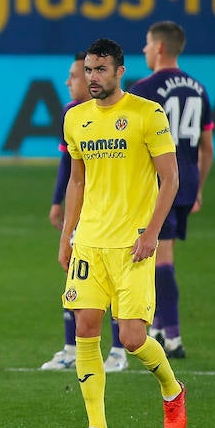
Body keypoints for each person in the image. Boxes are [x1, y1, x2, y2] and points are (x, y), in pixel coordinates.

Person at [57, 38, 186, 428]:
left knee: (131, 338)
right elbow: (77, 181)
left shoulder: (147, 114)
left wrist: (152, 233)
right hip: (90, 244)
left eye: (100, 70)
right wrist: (68, 236)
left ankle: (171, 389)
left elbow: (171, 179)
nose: (92, 78)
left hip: (132, 245)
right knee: (85, 328)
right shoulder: (76, 119)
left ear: (119, 72)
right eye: (88, 70)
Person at [128, 21, 214, 360]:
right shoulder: (198, 88)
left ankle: (173, 336)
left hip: (159, 183)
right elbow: (207, 147)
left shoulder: (145, 88)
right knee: (164, 254)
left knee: (158, 256)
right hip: (187, 180)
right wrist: (199, 188)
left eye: (147, 44)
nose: (145, 50)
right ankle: (162, 326)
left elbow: (132, 144)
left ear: (160, 47)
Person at [41, 54, 128, 373]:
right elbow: (69, 167)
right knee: (75, 278)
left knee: (118, 281)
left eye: (75, 75)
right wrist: (57, 203)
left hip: (116, 213)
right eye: (80, 73)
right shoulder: (72, 115)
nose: (70, 81)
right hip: (86, 212)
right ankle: (72, 348)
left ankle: (119, 351)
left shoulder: (122, 113)